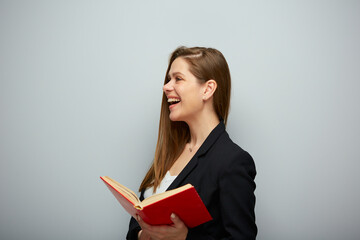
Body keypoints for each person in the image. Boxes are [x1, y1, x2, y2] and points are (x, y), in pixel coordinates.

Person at [126, 46, 257, 240]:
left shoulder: (233, 161)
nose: (166, 87)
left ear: (208, 89)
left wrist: (184, 238)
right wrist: (143, 235)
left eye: (178, 78)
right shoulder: (170, 152)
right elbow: (134, 226)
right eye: (169, 79)